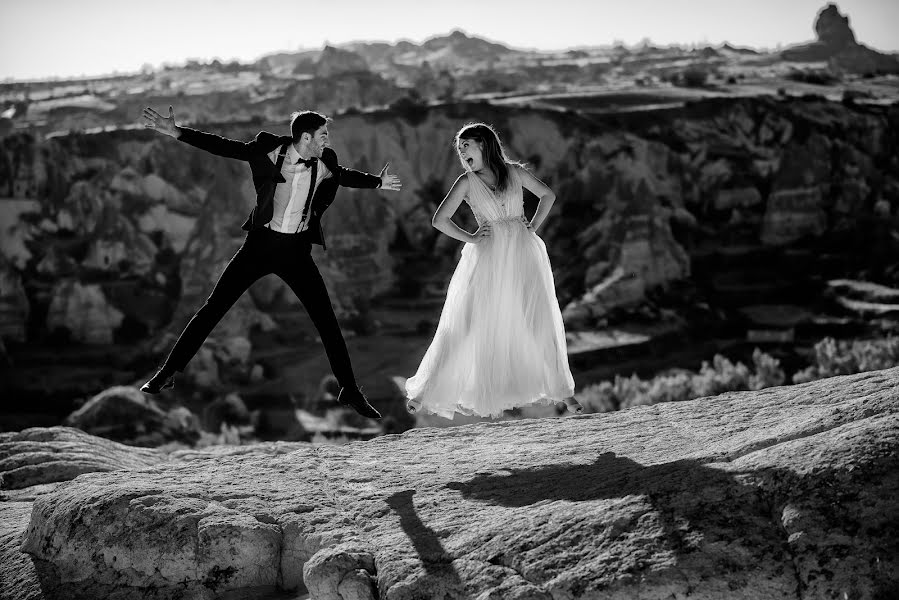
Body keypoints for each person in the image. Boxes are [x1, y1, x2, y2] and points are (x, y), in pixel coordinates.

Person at [139, 106, 401, 419]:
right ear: (306, 137)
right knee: (213, 308)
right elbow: (224, 146)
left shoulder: (326, 162)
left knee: (327, 321)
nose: (327, 141)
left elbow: (344, 177)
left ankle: (350, 390)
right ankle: (167, 373)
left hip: (296, 252)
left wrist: (377, 182)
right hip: (260, 246)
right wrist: (178, 132)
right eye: (323, 135)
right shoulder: (269, 150)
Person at [404, 122, 580, 418]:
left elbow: (548, 196)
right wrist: (471, 237)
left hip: (524, 252)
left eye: (466, 146)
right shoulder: (465, 181)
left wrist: (533, 226)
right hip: (487, 256)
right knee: (466, 319)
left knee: (537, 320)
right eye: (459, 149)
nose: (461, 153)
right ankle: (424, 392)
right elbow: (440, 220)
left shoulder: (515, 172)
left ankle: (565, 395)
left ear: (484, 145)